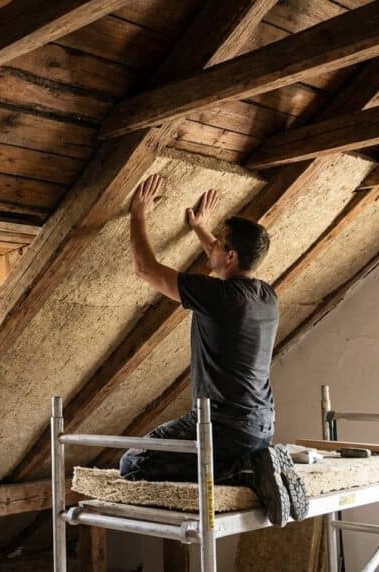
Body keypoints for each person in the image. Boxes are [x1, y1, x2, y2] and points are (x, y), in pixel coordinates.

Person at [119, 174, 307, 526]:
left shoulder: (219, 297)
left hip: (221, 427)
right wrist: (200, 227)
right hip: (261, 425)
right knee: (174, 457)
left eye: (219, 243)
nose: (213, 248)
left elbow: (145, 268)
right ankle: (250, 462)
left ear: (232, 255)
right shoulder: (266, 294)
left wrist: (139, 214)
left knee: (133, 464)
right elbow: (220, 258)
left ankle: (246, 474)